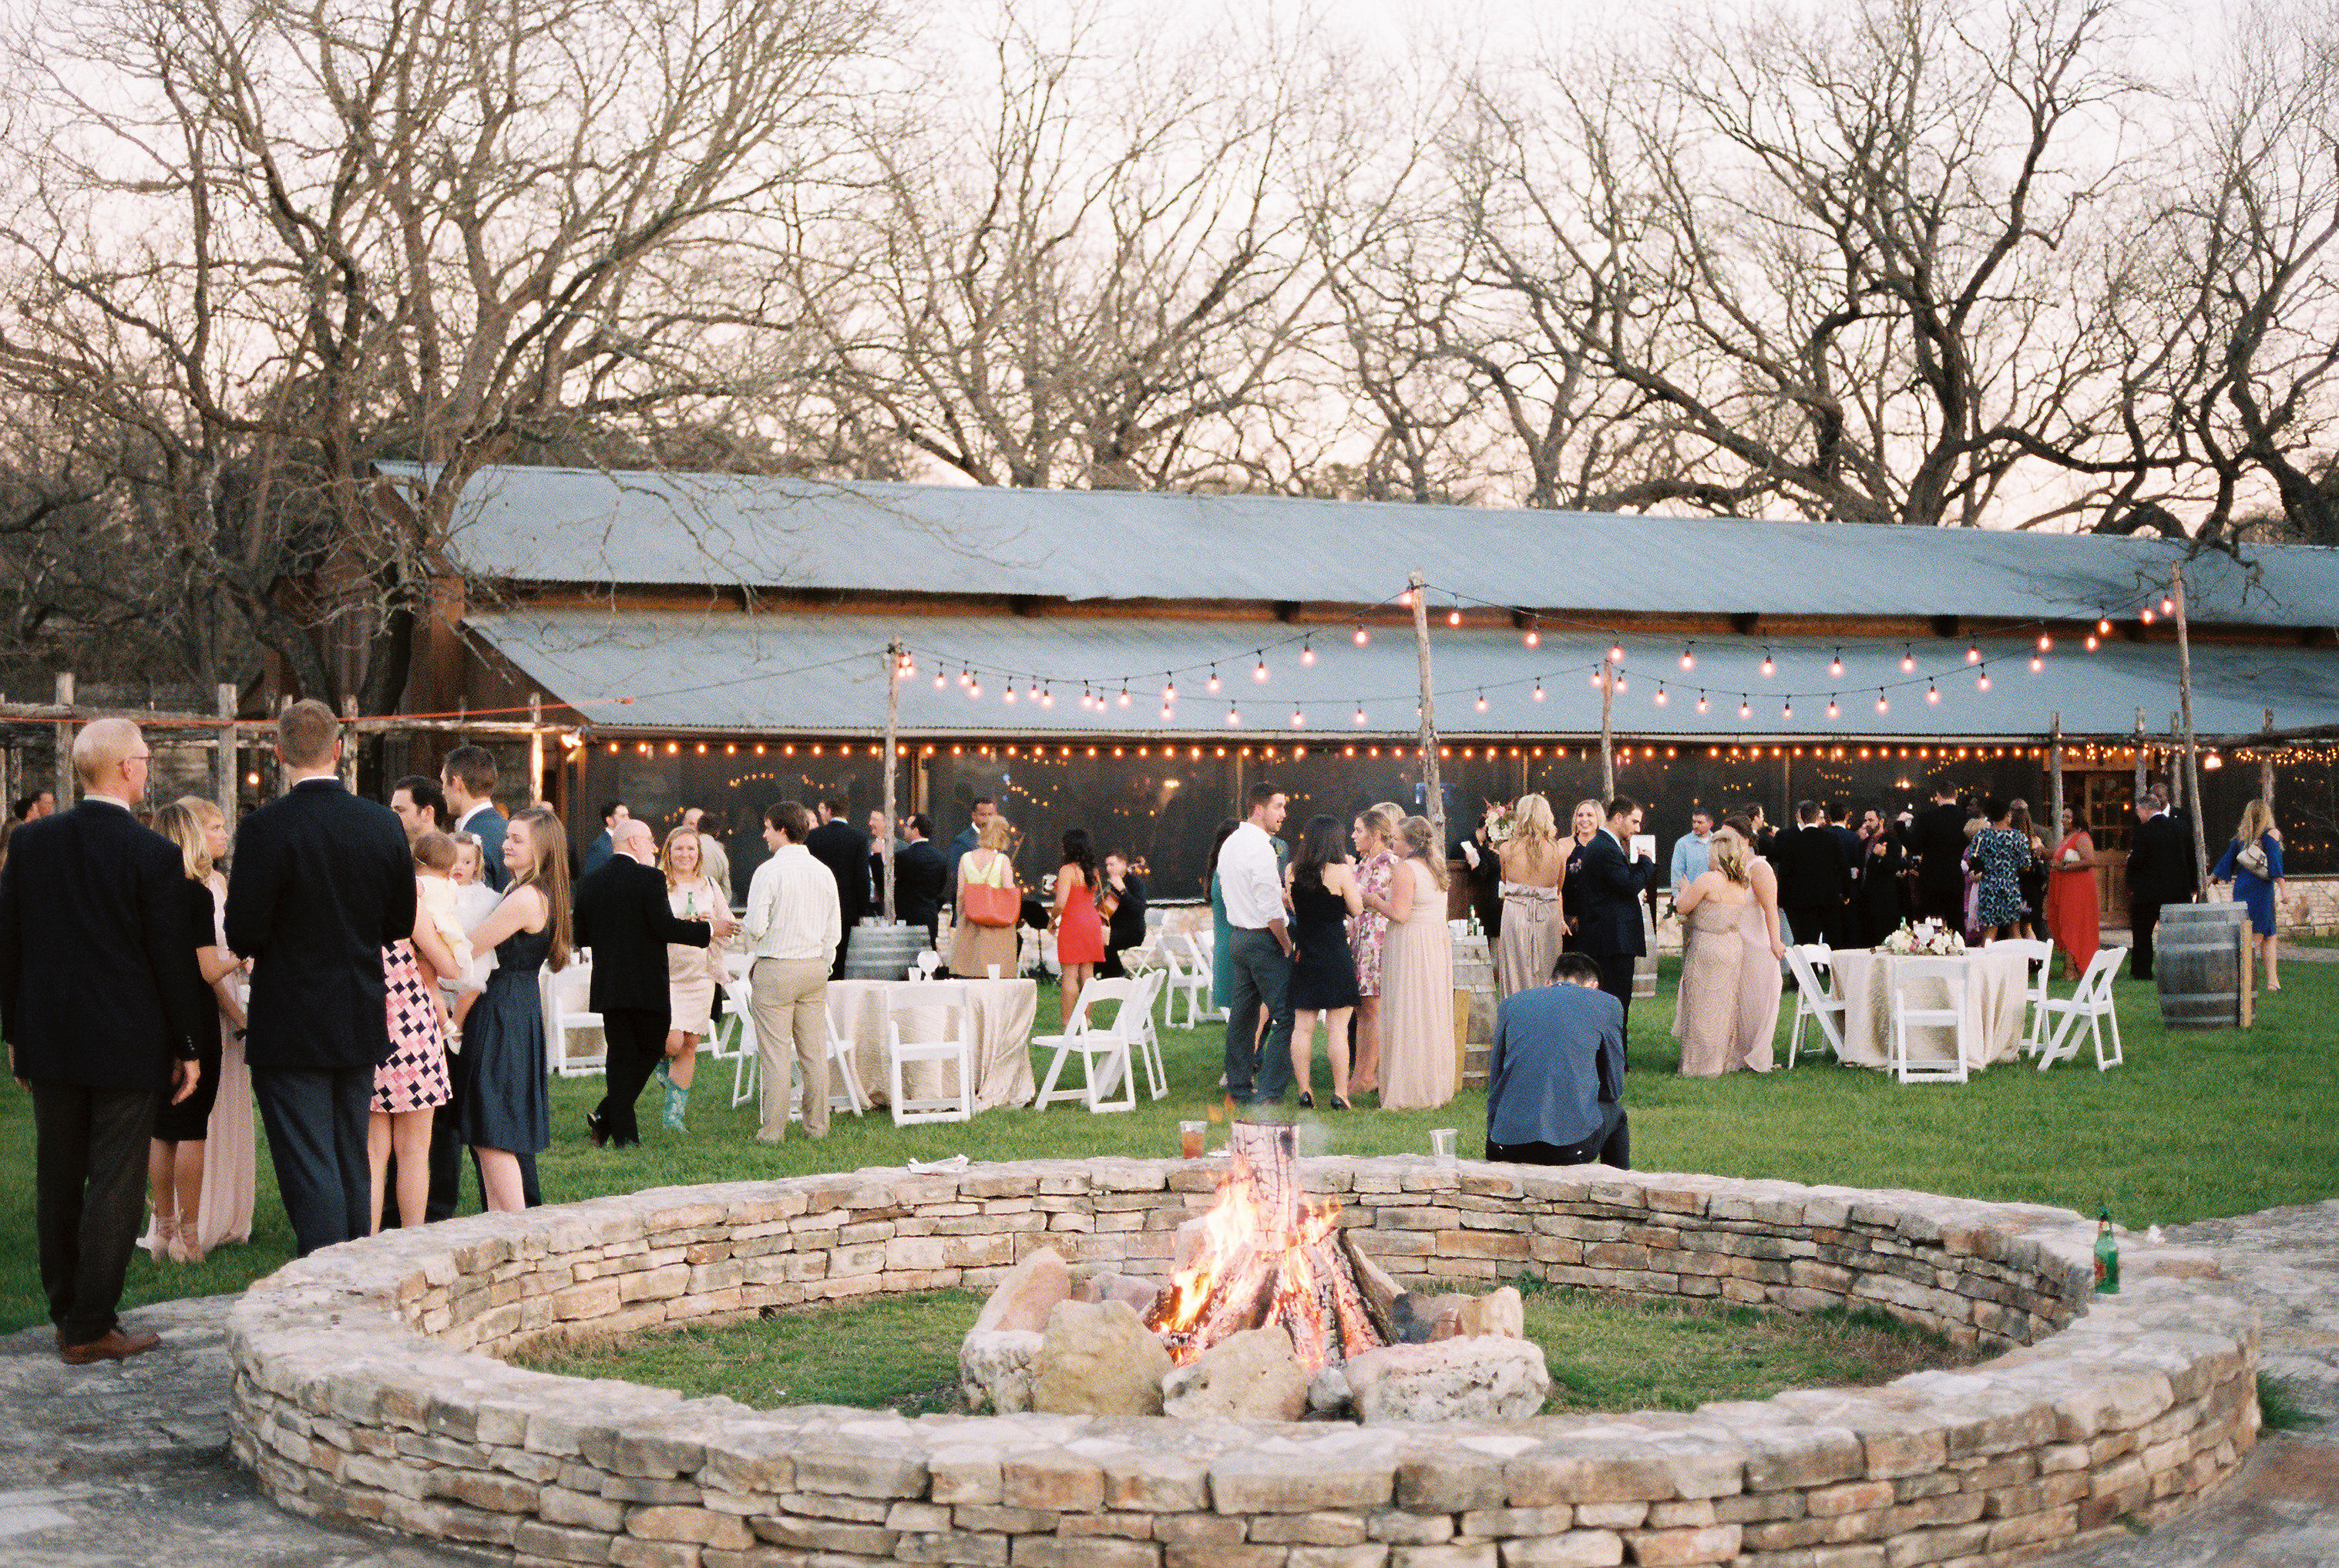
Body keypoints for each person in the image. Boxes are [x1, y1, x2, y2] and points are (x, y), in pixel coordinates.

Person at [0, 719, 207, 1363]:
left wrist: (16, 1034)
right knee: (115, 1181)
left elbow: (10, 943)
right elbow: (170, 958)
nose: (147, 768)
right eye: (144, 758)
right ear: (124, 768)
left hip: (53, 1038)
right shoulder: (151, 853)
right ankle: (90, 1325)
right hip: (126, 1041)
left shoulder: (31, 842)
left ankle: (68, 1310)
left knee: (59, 1175)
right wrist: (189, 1044)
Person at [226, 700, 414, 1256]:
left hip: (290, 1015)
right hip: (357, 1008)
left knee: (310, 1158)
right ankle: (355, 1266)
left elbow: (243, 930)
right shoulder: (381, 823)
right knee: (348, 1151)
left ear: (280, 753)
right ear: (338, 749)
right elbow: (399, 922)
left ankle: (328, 1275)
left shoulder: (265, 828)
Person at [139, 801, 246, 1265]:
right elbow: (206, 967)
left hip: (149, 1016)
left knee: (160, 1129)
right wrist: (243, 953)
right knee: (192, 1129)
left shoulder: (141, 890)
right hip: (194, 1018)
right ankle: (188, 1236)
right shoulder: (194, 895)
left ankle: (161, 1231)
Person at [575, 819, 723, 1148]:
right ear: (633, 843)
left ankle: (620, 1133)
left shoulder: (590, 882)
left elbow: (581, 936)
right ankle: (618, 1126)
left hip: (609, 983)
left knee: (620, 1056)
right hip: (646, 983)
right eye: (650, 842)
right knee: (653, 1047)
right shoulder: (650, 878)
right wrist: (710, 931)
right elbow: (666, 928)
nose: (654, 848)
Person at [452, 806, 570, 1210]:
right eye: (507, 836)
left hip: (504, 1010)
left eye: (518, 839)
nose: (506, 844)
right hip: (513, 1006)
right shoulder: (526, 891)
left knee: (493, 1133)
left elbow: (469, 947)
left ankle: (516, 1233)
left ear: (541, 848)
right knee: (492, 1130)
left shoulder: (526, 898)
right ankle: (499, 1227)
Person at [367, 828, 462, 1234]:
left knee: (372, 1153)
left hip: (371, 1022)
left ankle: (365, 1244)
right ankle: (411, 1238)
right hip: (411, 1027)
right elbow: (452, 967)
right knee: (413, 1151)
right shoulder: (412, 906)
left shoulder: (363, 903)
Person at [174, 797, 256, 1255]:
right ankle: (194, 1220)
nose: (225, 835)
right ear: (193, 834)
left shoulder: (221, 882)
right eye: (215, 827)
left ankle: (229, 1214)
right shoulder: (192, 889)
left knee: (231, 1113)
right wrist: (239, 1014)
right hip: (213, 1007)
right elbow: (205, 965)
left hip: (231, 996)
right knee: (201, 1120)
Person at [745, 802, 841, 1143]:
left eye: (768, 827)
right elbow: (834, 930)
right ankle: (817, 1126)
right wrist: (824, 964)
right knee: (814, 1054)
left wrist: (743, 929)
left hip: (777, 967)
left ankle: (772, 1131)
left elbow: (756, 926)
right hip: (814, 968)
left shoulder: (768, 872)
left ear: (782, 830)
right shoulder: (823, 871)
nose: (764, 834)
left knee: (775, 1054)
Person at [1485, 952, 1629, 1168]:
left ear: (1548, 983)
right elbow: (1613, 1089)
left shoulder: (1510, 1004)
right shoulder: (1607, 1004)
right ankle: (1617, 1192)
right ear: (1594, 986)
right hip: (1571, 1145)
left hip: (1503, 1145)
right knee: (1617, 1115)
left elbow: (1496, 1083)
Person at [1369, 814, 1456, 1110]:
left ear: (1409, 844)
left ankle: (1408, 1090)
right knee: (1428, 1011)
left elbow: (1400, 914)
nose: (1392, 843)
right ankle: (1431, 1084)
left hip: (1411, 943)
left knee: (1407, 1009)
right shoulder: (1436, 866)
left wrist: (1371, 899)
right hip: (1433, 942)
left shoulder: (1405, 868)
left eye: (1395, 839)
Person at [1218, 783, 1296, 1106]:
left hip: (1238, 936)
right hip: (1263, 938)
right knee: (1286, 1014)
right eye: (1278, 806)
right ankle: (1270, 1092)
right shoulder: (1261, 847)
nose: (1284, 814)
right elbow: (1270, 909)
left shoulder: (1230, 843)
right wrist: (1287, 944)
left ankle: (1238, 1087)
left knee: (1243, 1014)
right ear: (1258, 808)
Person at [651, 825, 732, 1130]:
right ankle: (658, 1068)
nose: (685, 854)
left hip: (700, 976)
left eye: (691, 849)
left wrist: (712, 926)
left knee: (690, 1044)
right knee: (671, 1043)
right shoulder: (658, 885)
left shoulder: (710, 886)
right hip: (667, 976)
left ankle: (674, 1117)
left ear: (699, 854)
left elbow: (727, 928)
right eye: (679, 848)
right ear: (668, 852)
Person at [1285, 815, 1362, 1110]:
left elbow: (1293, 906)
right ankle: (1340, 1093)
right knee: (1337, 1028)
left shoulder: (1292, 870)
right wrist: (1351, 872)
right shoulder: (1341, 871)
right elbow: (1356, 908)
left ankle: (1305, 1090)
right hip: (1333, 955)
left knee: (1302, 1028)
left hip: (1305, 952)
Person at [1674, 827, 1762, 1076]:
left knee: (1701, 1006)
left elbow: (1683, 907)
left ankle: (1698, 1065)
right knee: (1724, 1007)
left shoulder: (1708, 879)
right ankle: (1718, 1062)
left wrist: (1683, 887)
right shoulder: (1742, 882)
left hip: (1708, 945)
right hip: (1732, 946)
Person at [1574, 796, 1658, 1031]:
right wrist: (1645, 862)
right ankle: (1614, 1057)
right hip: (1611, 941)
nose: (1637, 828)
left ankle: (1613, 1056)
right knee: (1616, 1001)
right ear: (1619, 817)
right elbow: (1629, 885)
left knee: (1614, 1001)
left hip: (1609, 939)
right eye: (1635, 822)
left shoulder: (1605, 845)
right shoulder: (1605, 848)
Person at [1721, 811, 1788, 1070]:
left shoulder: (1758, 867)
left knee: (1757, 1001)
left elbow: (1771, 908)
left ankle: (1756, 1053)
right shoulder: (1725, 866)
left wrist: (1775, 942)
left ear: (1747, 840)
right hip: (1732, 943)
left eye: (1731, 838)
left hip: (1756, 943)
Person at [1345, 805, 1400, 1100]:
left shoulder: (1386, 861)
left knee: (1374, 1008)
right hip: (1361, 936)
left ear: (1375, 834)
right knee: (1363, 1008)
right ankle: (1360, 1072)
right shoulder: (1364, 862)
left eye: (1358, 830)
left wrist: (1359, 899)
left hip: (1377, 937)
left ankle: (1369, 1073)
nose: (1353, 836)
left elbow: (1371, 898)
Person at [1494, 794, 1566, 999]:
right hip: (1547, 915)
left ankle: (1517, 1018)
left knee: (1514, 970)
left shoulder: (1506, 849)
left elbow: (1506, 880)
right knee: (1548, 969)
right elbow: (1559, 888)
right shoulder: (1558, 851)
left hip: (1516, 915)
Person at [2211, 800, 2287, 993]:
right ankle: (2236, 978)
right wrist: (2284, 891)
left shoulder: (2242, 837)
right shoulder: (2271, 834)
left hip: (2242, 889)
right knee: (2256, 937)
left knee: (2269, 933)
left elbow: (2225, 862)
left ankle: (2273, 982)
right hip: (2261, 891)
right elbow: (2276, 866)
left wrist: (2209, 880)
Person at [2126, 789, 2192, 980]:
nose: (2137, 815)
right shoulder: (2180, 827)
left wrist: (2130, 863)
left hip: (2149, 892)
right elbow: (2190, 858)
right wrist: (2192, 885)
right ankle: (2178, 971)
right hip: (2178, 890)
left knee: (2143, 933)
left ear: (2146, 810)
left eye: (2138, 810)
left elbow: (2138, 860)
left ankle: (2142, 971)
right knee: (2177, 934)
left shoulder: (2144, 831)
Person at [804, 800, 869, 979]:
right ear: (847, 813)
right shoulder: (859, 838)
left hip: (817, 906)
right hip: (847, 908)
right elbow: (862, 877)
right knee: (841, 960)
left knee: (816, 956)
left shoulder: (813, 836)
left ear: (829, 811)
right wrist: (863, 911)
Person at [950, 815, 1020, 979]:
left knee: (970, 971)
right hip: (996, 924)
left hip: (970, 920)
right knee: (994, 975)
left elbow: (960, 893)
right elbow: (1009, 890)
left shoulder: (965, 858)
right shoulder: (1002, 860)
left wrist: (960, 919)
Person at [1773, 801, 1850, 950]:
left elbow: (1784, 873)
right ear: (1817, 817)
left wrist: (1782, 900)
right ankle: (1833, 971)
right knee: (1832, 943)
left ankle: (1807, 972)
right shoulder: (1832, 839)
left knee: (1804, 943)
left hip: (1801, 902)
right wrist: (1845, 894)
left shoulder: (1792, 841)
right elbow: (1845, 869)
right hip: (1829, 900)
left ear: (1801, 817)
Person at [1051, 828, 1107, 1025]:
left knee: (1069, 974)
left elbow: (1060, 903)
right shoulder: (1093, 871)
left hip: (1073, 922)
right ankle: (1086, 1019)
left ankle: (1068, 1020)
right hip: (1091, 922)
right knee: (1088, 974)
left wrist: (1052, 920)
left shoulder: (1067, 871)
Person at [442, 747, 510, 893]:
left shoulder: (471, 841)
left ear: (456, 783)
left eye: (443, 782)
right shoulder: (508, 829)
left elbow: (474, 909)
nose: (442, 791)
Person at [2043, 805, 2101, 979]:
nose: (2064, 820)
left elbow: (2089, 860)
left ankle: (2071, 970)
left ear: (2077, 819)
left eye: (2068, 817)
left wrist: (2064, 867)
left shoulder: (2082, 837)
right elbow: (2059, 855)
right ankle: (2071, 969)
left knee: (2073, 926)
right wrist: (2044, 852)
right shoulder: (2069, 837)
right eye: (2063, 817)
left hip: (2078, 891)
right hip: (2066, 889)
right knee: (2066, 924)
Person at [1966, 797, 2030, 944]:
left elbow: (1971, 859)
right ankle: (2020, 965)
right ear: (2008, 814)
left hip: (1989, 887)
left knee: (1990, 931)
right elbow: (2026, 866)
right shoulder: (2019, 837)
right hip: (2011, 886)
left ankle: (1986, 965)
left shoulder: (1982, 836)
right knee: (2015, 931)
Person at [1910, 785, 1970, 928]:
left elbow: (1915, 846)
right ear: (1956, 795)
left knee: (1931, 925)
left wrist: (1900, 827)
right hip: (1955, 877)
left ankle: (1931, 948)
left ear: (1938, 796)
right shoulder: (1965, 819)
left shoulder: (1927, 818)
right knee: (1956, 923)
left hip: (1932, 879)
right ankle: (1958, 948)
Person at [1853, 809, 1909, 949]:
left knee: (1884, 944)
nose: (1867, 824)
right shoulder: (1863, 844)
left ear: (1881, 821)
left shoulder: (1892, 842)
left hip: (1884, 904)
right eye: (1865, 820)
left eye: (1871, 820)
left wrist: (1883, 856)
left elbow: (1895, 867)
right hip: (1864, 902)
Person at [1095, 849, 1148, 979]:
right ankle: (1109, 975)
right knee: (1096, 937)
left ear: (1124, 864)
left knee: (1102, 939)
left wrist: (1123, 890)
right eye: (1107, 865)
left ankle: (1118, 973)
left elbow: (1140, 909)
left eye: (1112, 864)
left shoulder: (1135, 883)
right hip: (1115, 930)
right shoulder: (1111, 886)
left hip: (1132, 932)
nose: (1108, 868)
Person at [1558, 798, 1602, 952]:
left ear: (1599, 819)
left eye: (1590, 815)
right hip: (1570, 923)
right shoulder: (1565, 845)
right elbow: (1557, 888)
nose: (1584, 820)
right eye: (1580, 815)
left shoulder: (1607, 847)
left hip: (1599, 922)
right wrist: (1560, 919)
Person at [2008, 801, 2052, 942]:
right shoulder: (2036, 839)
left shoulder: (2008, 838)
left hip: (2013, 885)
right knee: (2029, 927)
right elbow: (2046, 864)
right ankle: (2035, 960)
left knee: (2013, 928)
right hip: (2032, 888)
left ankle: (2018, 960)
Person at [943, 797, 999, 908]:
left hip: (995, 905)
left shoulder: (999, 839)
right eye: (983, 815)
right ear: (974, 815)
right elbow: (957, 876)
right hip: (971, 906)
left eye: (990, 815)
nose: (987, 819)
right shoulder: (962, 841)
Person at [1669, 809, 1714, 905]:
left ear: (1710, 824)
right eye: (1694, 822)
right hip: (1692, 900)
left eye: (1700, 823)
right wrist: (1679, 898)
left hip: (1714, 899)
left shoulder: (1718, 842)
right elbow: (1677, 872)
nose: (1696, 826)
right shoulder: (1683, 844)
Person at [388, 774, 446, 841]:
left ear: (428, 813)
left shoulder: (452, 850)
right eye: (392, 810)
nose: (391, 816)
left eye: (400, 810)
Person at [580, 801, 626, 878]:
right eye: (623, 816)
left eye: (627, 815)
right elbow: (592, 879)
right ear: (609, 820)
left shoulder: (626, 842)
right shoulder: (599, 847)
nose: (628, 819)